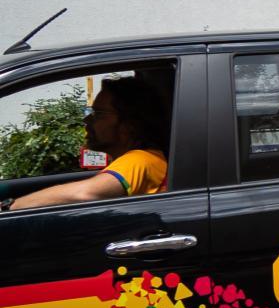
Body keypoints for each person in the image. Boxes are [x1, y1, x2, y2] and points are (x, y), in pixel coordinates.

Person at [5, 77, 170, 211]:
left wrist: (8, 208)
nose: (86, 120)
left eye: (98, 114)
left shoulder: (141, 160)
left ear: (129, 124)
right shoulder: (144, 158)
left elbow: (84, 193)